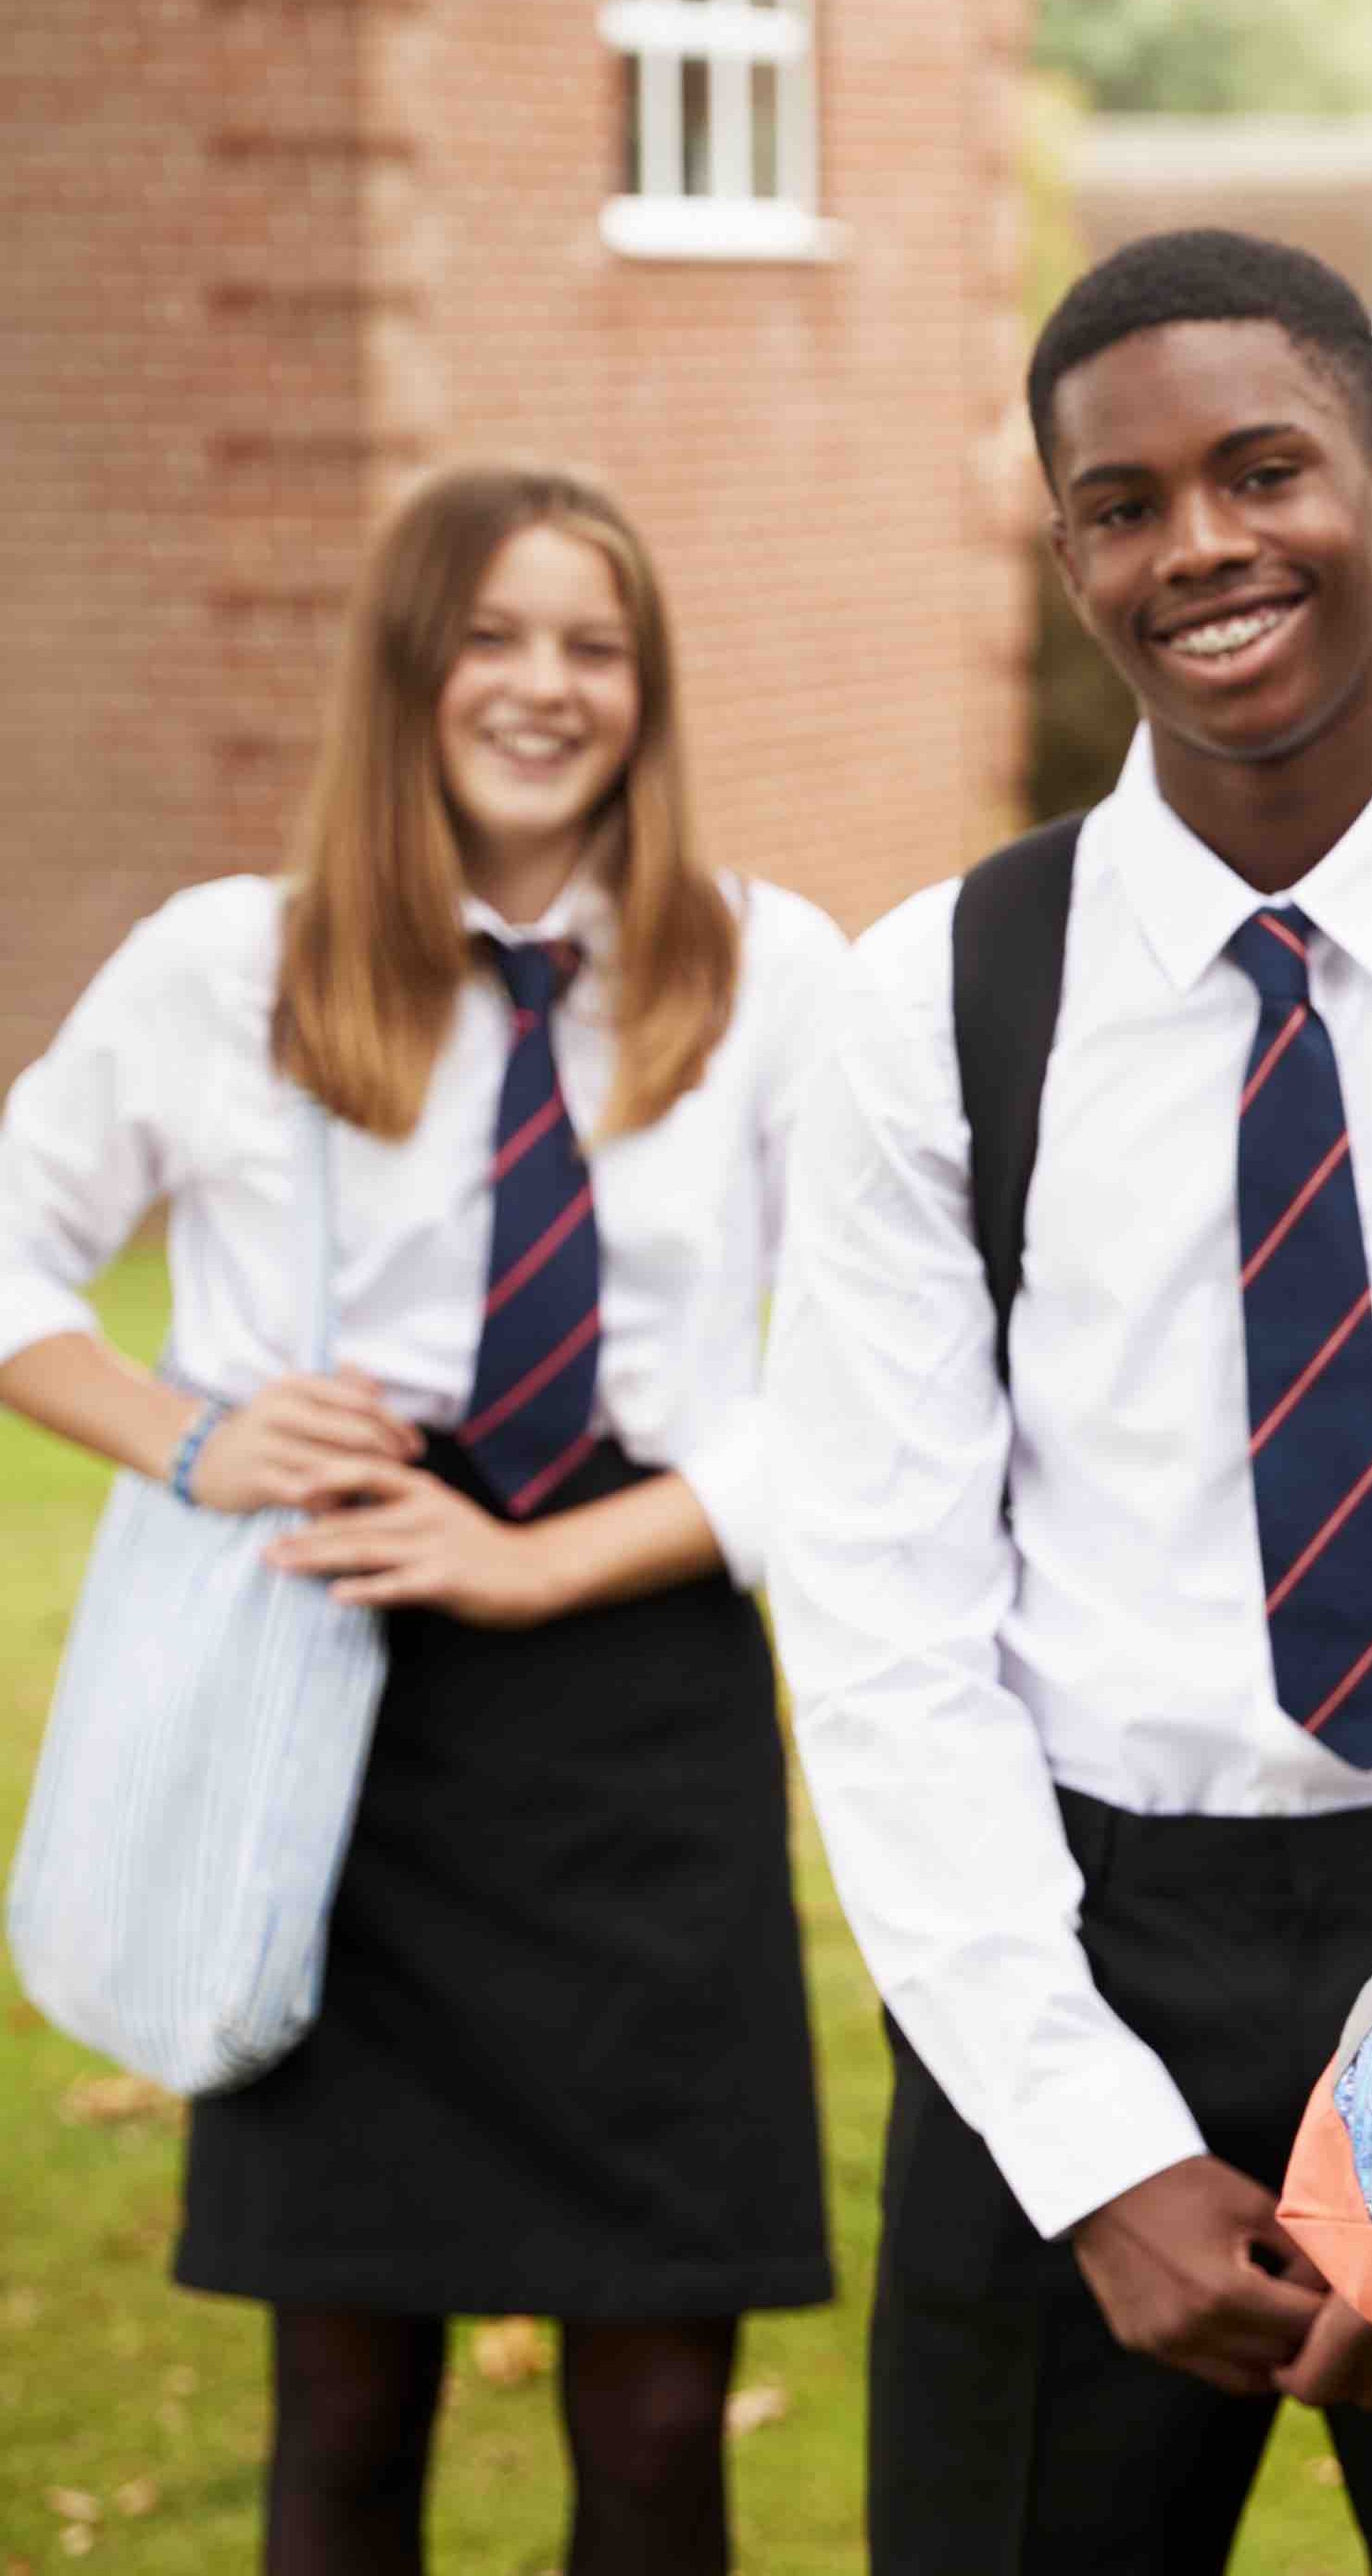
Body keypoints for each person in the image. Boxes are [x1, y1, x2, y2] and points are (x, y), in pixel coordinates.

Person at [766, 229, 1372, 2573]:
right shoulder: (934, 1010)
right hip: (1075, 1931)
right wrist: (1086, 2143)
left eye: (1261, 470)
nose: (1199, 545)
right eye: (1122, 504)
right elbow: (885, 1619)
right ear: (1067, 553)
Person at [0, 463, 840, 2572]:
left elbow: (867, 1387)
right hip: (331, 1694)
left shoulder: (765, 971)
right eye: (494, 636)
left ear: (645, 689)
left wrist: (547, 1560)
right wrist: (188, 1438)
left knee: (657, 2420)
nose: (544, 686)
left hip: (639, 1700)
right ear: (408, 669)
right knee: (345, 2403)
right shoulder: (230, 964)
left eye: (594, 644)